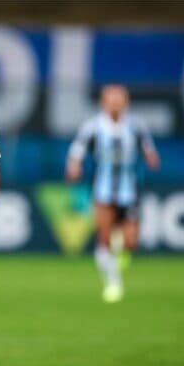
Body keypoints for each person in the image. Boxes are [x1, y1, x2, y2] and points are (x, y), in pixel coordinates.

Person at [65, 84, 159, 303]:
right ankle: (113, 283)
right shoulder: (94, 127)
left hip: (129, 190)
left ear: (126, 103)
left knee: (131, 242)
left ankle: (120, 254)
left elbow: (148, 148)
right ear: (104, 103)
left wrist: (151, 157)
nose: (116, 104)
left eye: (120, 100)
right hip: (103, 190)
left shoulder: (136, 126)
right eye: (111, 100)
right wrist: (74, 166)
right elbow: (77, 150)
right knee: (104, 238)